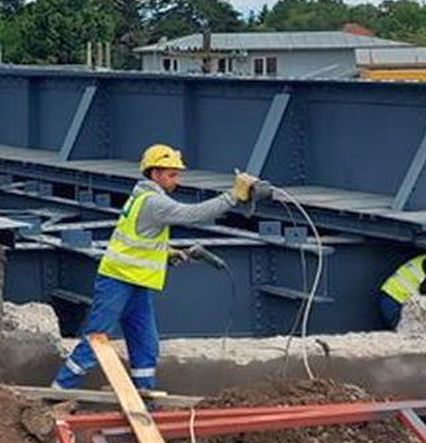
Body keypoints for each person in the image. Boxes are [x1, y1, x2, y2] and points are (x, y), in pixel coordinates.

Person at [51, 143, 268, 392]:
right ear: (155, 174)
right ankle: (58, 392)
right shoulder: (154, 202)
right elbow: (192, 214)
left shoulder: (143, 196)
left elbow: (140, 238)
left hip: (135, 282)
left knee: (145, 343)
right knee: (96, 339)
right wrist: (232, 196)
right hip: (118, 281)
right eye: (171, 174)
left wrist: (166, 253)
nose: (176, 180)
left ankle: (144, 392)